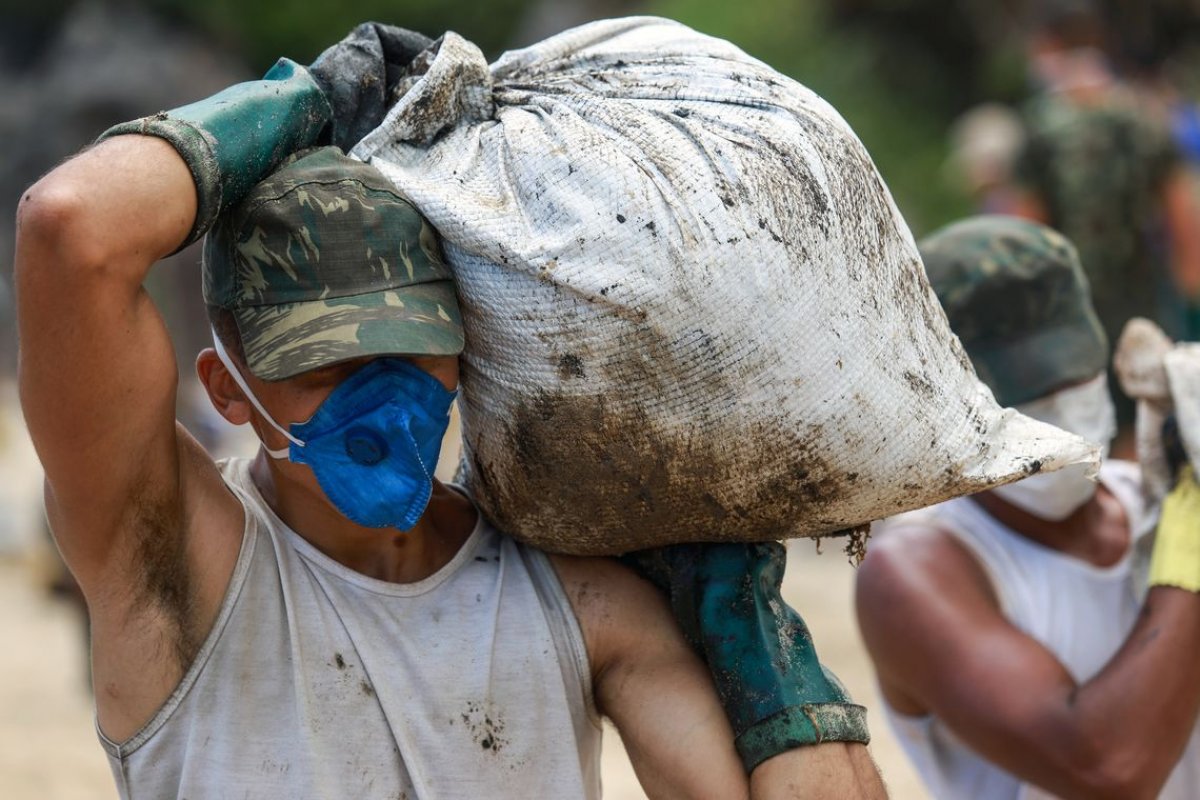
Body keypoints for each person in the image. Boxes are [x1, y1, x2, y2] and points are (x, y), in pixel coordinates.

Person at [15, 127, 884, 796]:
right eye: (328, 370)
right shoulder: (177, 566)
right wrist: (308, 98)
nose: (385, 403)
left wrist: (762, 649)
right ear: (228, 387)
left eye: (413, 356)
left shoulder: (576, 601)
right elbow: (69, 227)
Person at [855, 215, 1200, 800]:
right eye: (1027, 397)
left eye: (1073, 380)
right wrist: (1190, 530)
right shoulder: (915, 573)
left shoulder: (1153, 493)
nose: (1060, 411)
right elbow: (1108, 768)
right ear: (944, 403)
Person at [1009, 1, 1200, 453]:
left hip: (1070, 308)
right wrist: (1190, 298)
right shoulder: (1142, 118)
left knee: (1085, 432)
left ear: (1050, 46)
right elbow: (1183, 220)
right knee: (1147, 420)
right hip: (1141, 299)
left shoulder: (1040, 128)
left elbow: (1026, 237)